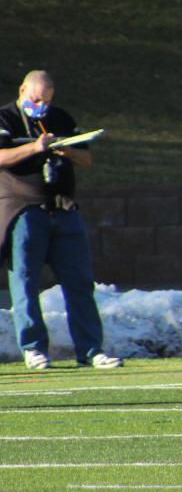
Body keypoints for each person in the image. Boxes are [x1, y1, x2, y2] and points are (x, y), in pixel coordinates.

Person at [0, 71, 120, 370]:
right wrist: (36, 147)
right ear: (22, 89)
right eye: (36, 99)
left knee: (79, 282)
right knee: (25, 280)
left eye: (47, 101)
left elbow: (87, 158)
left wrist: (64, 149)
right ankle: (33, 348)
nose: (41, 105)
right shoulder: (6, 117)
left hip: (63, 209)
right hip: (25, 209)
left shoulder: (61, 118)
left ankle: (91, 350)